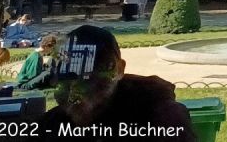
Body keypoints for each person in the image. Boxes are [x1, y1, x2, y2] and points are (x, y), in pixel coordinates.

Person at [41, 24, 196, 141]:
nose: (76, 95)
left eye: (89, 77)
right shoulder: (51, 125)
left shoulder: (163, 118)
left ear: (119, 69)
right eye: (66, 81)